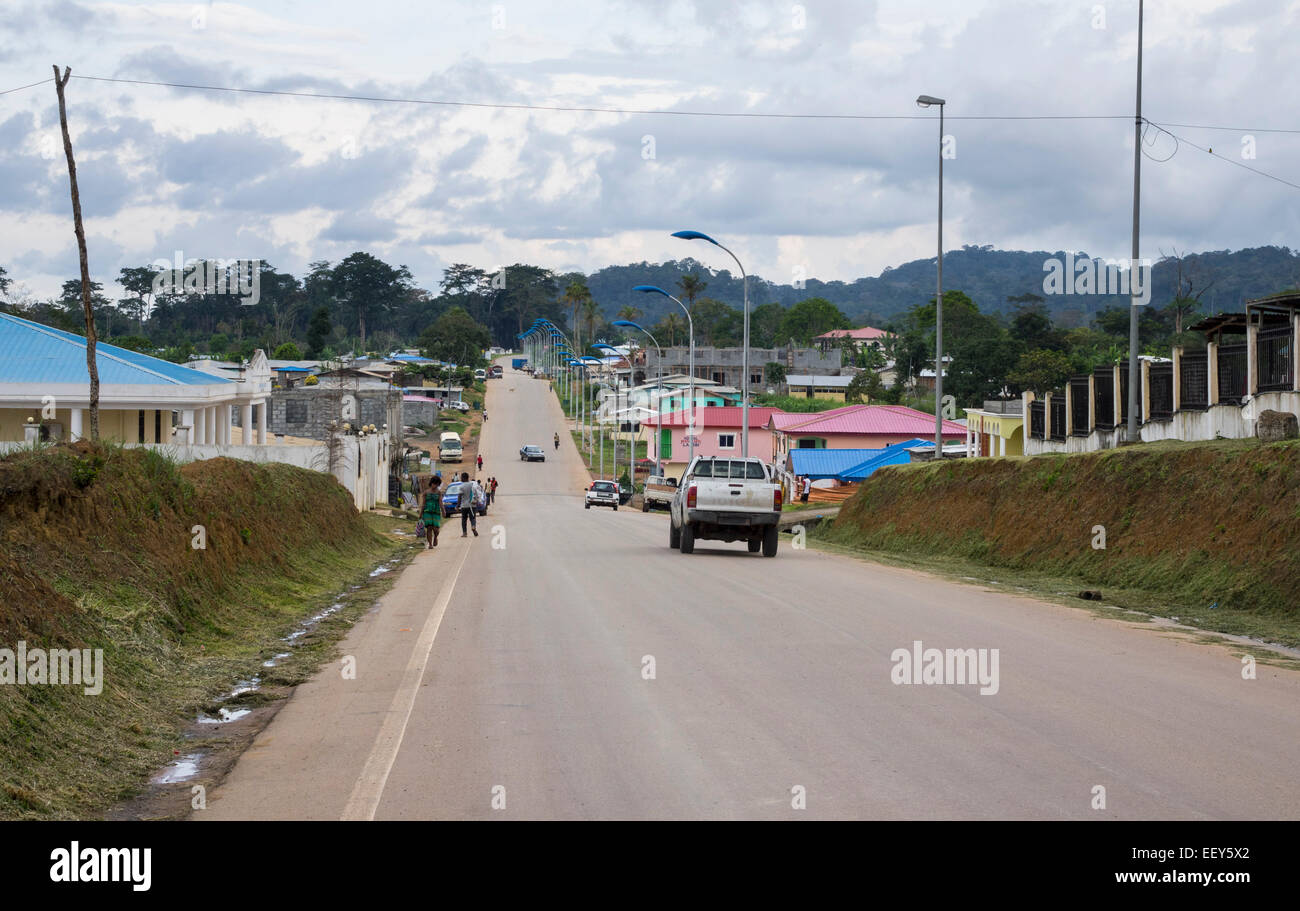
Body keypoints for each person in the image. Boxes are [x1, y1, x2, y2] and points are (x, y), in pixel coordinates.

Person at [420, 476, 442, 549]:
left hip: (436, 511)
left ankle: (435, 537)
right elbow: (423, 503)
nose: (435, 486)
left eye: (437, 484)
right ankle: (430, 544)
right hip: (427, 512)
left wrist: (443, 511)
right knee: (429, 528)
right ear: (431, 483)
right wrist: (420, 513)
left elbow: (440, 503)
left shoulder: (439, 492)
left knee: (436, 529)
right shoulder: (426, 492)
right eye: (434, 484)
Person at [458, 471, 480, 537]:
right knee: (473, 518)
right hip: (472, 505)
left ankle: (464, 533)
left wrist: (457, 505)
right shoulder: (472, 485)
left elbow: (459, 496)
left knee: (464, 519)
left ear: (464, 478)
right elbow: (476, 495)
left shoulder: (461, 486)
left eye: (461, 477)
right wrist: (476, 501)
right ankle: (473, 526)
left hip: (464, 506)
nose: (460, 479)